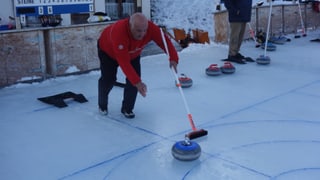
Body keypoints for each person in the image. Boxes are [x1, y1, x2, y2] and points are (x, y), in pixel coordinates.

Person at [97, 12, 179, 118]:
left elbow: (165, 42)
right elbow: (124, 62)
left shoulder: (151, 28)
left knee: (134, 81)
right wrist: (138, 82)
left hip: (133, 53)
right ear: (130, 26)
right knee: (109, 80)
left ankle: (127, 108)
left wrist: (173, 58)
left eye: (144, 30)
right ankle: (102, 105)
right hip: (108, 52)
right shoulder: (119, 32)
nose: (142, 34)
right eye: (138, 31)